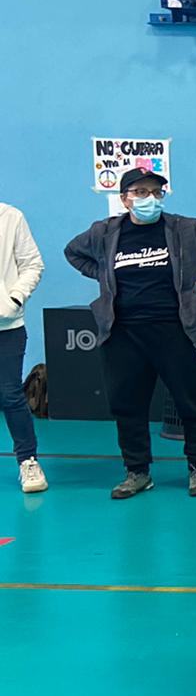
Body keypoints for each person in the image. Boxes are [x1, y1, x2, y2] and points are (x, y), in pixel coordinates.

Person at [63, 167, 196, 499]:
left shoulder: (187, 229)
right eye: (140, 192)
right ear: (125, 199)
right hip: (123, 333)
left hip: (178, 331)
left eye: (155, 192)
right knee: (127, 405)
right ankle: (137, 472)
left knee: (193, 402)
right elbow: (72, 252)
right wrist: (103, 275)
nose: (149, 198)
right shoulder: (104, 232)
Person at [0, 200, 46, 493]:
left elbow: (32, 264)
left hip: (6, 327)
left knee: (9, 394)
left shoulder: (10, 216)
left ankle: (28, 461)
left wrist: (14, 299)